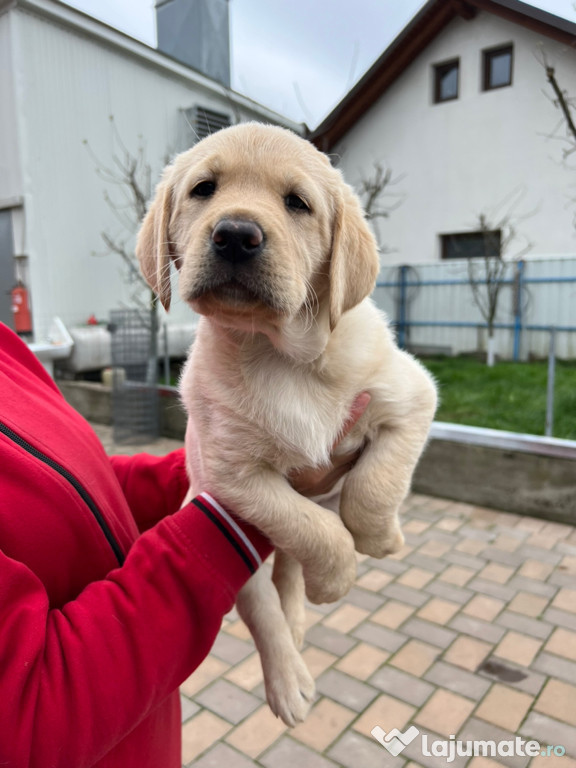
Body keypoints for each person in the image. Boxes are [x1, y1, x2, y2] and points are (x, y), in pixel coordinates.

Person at [0, 321, 369, 767]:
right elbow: (28, 721)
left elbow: (69, 482)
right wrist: (240, 498)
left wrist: (199, 473)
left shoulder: (5, 344)